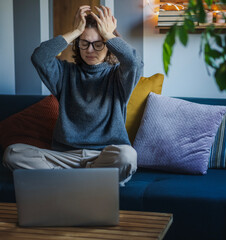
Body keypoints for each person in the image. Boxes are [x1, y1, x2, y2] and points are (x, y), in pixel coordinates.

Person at [3, 5, 144, 186]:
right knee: (13, 153)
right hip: (64, 157)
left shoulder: (118, 77)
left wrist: (109, 35)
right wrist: (76, 30)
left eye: (99, 43)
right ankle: (88, 182)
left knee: (128, 155)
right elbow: (40, 56)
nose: (90, 50)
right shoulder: (64, 73)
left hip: (103, 156)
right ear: (77, 43)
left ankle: (65, 183)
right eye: (84, 42)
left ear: (109, 46)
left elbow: (134, 63)